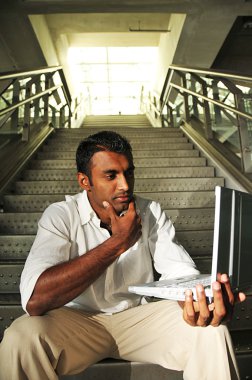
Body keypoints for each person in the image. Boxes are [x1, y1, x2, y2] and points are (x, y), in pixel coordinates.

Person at [0, 130, 245, 380]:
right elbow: (35, 299)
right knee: (21, 337)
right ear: (85, 181)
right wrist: (118, 243)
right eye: (111, 175)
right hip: (77, 322)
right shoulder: (61, 215)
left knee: (211, 331)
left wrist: (197, 299)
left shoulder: (150, 211)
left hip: (139, 319)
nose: (125, 185)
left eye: (128, 172)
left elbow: (180, 271)